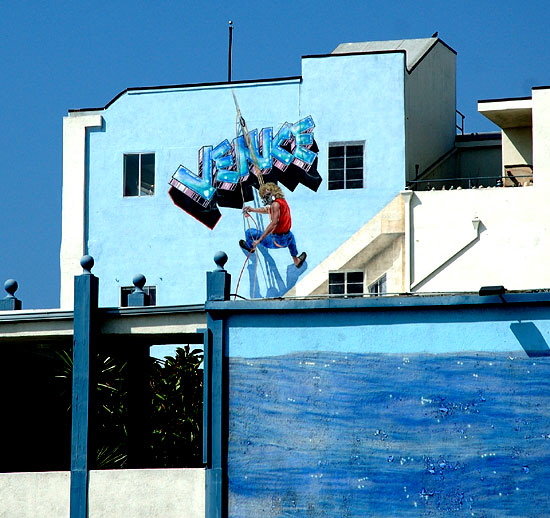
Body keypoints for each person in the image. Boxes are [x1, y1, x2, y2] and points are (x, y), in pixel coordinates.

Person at [239, 182, 307, 268]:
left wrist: (259, 240)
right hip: (287, 236)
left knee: (249, 232)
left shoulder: (275, 205)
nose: (266, 198)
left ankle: (250, 248)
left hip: (277, 240)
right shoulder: (281, 202)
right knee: (291, 238)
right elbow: (267, 210)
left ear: (274, 192)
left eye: (267, 195)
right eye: (264, 196)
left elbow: (274, 223)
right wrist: (252, 210)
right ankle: (296, 260)